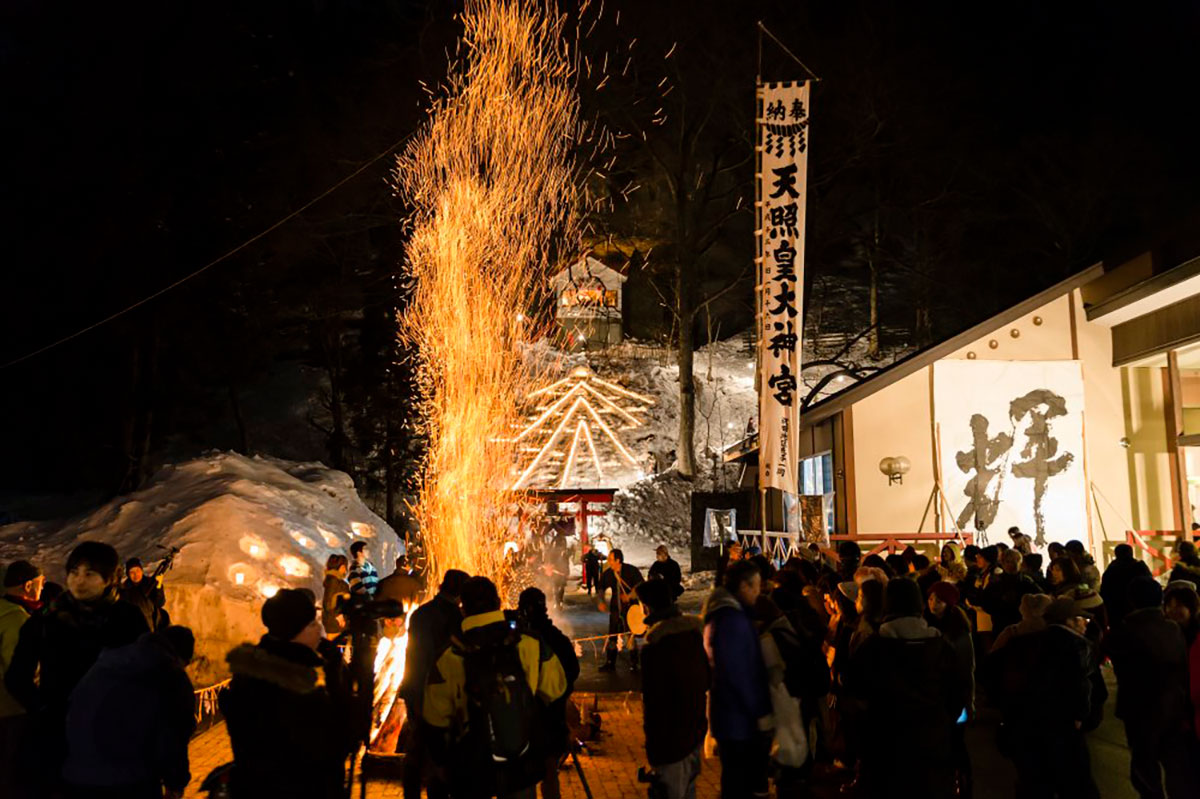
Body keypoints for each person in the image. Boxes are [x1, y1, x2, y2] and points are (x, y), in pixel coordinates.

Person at [6, 542, 149, 796]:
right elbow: (17, 677)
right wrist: (48, 710)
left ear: (110, 579)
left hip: (107, 743)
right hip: (73, 745)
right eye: (75, 573)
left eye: (88, 574)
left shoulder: (128, 619)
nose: (80, 581)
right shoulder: (46, 619)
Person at [422, 576, 567, 799]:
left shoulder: (450, 656)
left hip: (470, 766)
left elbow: (434, 718)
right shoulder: (529, 643)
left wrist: (441, 763)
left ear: (463, 608)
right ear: (498, 602)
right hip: (521, 760)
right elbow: (556, 689)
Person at [221, 588, 354, 799]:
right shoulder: (311, 676)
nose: (317, 628)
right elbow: (340, 736)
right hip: (308, 787)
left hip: (256, 785)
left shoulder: (249, 667)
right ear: (299, 630)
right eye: (312, 623)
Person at [846, 578, 965, 799]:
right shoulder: (940, 645)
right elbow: (958, 692)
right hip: (932, 737)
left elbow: (855, 688)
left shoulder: (874, 645)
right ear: (919, 604)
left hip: (886, 738)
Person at [63, 626, 197, 799]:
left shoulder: (108, 662)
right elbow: (174, 738)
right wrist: (175, 783)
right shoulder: (170, 675)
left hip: (77, 773)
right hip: (128, 781)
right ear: (181, 658)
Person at [988, 597, 1099, 799]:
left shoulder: (1019, 642)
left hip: (1024, 727)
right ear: (1068, 621)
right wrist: (1080, 717)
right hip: (1061, 728)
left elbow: (994, 676)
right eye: (1082, 619)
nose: (1085, 624)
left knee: (1035, 785)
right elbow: (1082, 686)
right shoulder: (1076, 646)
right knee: (1076, 785)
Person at [1105, 577, 1199, 799]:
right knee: (1176, 765)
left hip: (1138, 711)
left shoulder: (1124, 631)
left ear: (1132, 601)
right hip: (1173, 707)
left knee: (1145, 768)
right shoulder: (1174, 630)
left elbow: (1111, 659)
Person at [703, 560, 772, 799]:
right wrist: (760, 711)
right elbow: (739, 673)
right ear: (743, 586)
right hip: (737, 719)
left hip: (731, 715)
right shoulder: (732, 621)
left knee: (735, 780)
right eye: (755, 586)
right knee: (738, 784)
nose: (758, 592)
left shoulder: (726, 615)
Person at [636, 578, 709, 799]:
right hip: (695, 730)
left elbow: (654, 702)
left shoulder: (656, 646)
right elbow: (708, 678)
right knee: (689, 790)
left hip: (670, 740)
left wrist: (653, 749)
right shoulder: (694, 635)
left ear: (647, 606)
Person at [400, 569, 468, 799]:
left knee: (416, 748)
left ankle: (411, 793)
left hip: (415, 687)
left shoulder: (421, 613)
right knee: (439, 752)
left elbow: (414, 654)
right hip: (439, 692)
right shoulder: (457, 618)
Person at [516, 588, 578, 799]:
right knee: (549, 773)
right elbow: (572, 673)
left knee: (525, 776)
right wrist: (560, 697)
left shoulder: (521, 641)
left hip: (527, 721)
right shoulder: (558, 639)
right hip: (552, 718)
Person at [0, 560, 43, 799]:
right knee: (13, 777)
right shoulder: (18, 619)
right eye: (40, 584)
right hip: (11, 711)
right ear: (28, 586)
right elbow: (20, 672)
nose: (42, 589)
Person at [1162, 582, 1200, 740]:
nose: (1172, 611)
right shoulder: (1168, 633)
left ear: (1191, 608)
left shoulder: (1196, 635)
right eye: (1169, 606)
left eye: (1178, 606)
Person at [596, 549, 644, 672]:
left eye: (611, 559)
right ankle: (610, 662)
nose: (609, 562)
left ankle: (635, 663)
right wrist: (601, 601)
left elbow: (641, 586)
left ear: (618, 560)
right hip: (615, 609)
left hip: (630, 610)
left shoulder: (631, 571)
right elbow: (601, 586)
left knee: (629, 636)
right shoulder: (609, 574)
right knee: (612, 635)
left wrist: (629, 596)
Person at [1100, 544, 1152, 628]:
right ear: (1131, 553)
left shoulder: (1111, 571)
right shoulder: (1140, 568)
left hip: (1116, 614)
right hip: (1139, 613)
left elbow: (1104, 593)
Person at [120, 557, 167, 631]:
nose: (135, 574)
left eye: (138, 570)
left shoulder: (151, 584)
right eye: (132, 572)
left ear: (142, 571)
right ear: (128, 574)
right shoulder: (124, 589)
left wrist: (158, 587)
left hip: (152, 626)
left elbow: (160, 603)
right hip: (133, 629)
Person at [321, 554, 351, 638]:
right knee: (334, 647)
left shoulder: (331, 580)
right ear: (342, 567)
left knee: (334, 647)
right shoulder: (335, 582)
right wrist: (339, 615)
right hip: (336, 623)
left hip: (332, 621)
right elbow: (329, 602)